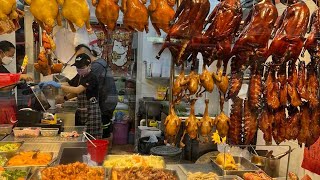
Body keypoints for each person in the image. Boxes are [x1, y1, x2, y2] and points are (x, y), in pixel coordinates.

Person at [40, 53, 103, 138]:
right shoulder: (80, 76)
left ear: (89, 65)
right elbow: (69, 84)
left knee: (91, 140)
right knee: (82, 138)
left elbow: (77, 89)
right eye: (78, 68)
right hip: (82, 112)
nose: (79, 70)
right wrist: (52, 85)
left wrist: (58, 86)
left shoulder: (92, 77)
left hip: (92, 113)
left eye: (82, 68)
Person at [73, 44, 118, 138]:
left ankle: (102, 150)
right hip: (107, 102)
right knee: (103, 131)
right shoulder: (98, 63)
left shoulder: (96, 67)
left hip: (105, 104)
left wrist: (60, 86)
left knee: (103, 134)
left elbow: (80, 86)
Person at [0, 40, 33, 124]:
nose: (12, 58)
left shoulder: (2, 67)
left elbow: (8, 83)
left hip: (7, 105)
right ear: (1, 52)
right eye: (10, 55)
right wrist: (18, 78)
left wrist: (18, 79)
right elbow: (3, 87)